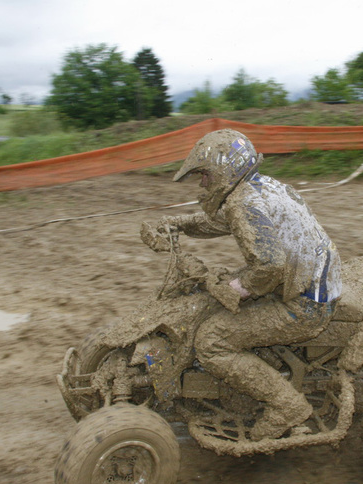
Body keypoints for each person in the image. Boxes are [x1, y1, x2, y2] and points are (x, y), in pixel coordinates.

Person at [144, 129, 341, 441]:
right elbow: (220, 223)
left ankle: (286, 406)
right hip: (312, 280)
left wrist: (235, 289)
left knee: (211, 341)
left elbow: (270, 266)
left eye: (205, 176)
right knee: (221, 289)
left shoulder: (242, 202)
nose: (202, 184)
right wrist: (175, 225)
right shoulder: (259, 186)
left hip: (306, 302)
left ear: (225, 171)